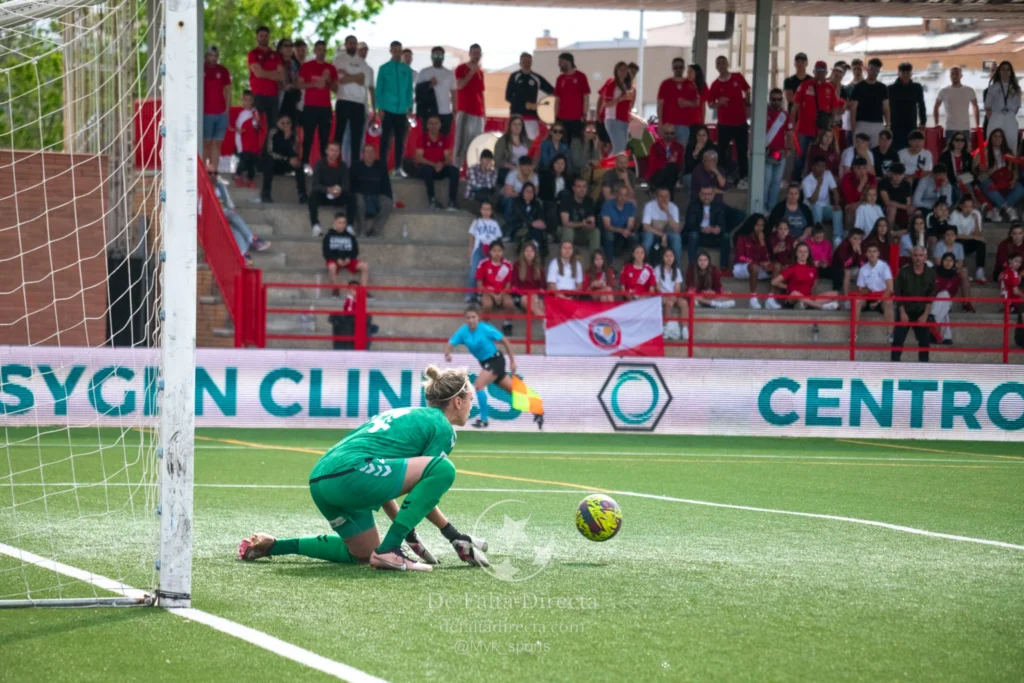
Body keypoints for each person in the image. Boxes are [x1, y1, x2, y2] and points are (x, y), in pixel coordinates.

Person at [238, 365, 489, 572]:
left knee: (363, 554)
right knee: (444, 469)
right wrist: (451, 534)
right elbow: (429, 477)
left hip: (322, 479)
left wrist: (407, 532)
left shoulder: (407, 414)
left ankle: (273, 546)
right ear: (457, 402)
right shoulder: (443, 428)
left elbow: (389, 481)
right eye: (470, 400)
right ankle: (390, 551)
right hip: (352, 474)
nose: (471, 406)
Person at [445, 306, 538, 429]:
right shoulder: (463, 332)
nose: (471, 320)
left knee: (479, 385)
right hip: (486, 363)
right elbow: (450, 343)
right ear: (465, 319)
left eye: (474, 317)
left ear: (478, 318)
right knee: (511, 389)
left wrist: (513, 361)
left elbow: (504, 340)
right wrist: (448, 353)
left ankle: (484, 420)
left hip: (496, 360)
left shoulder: (485, 328)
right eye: (468, 318)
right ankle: (536, 408)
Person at [790, 60, 841, 180]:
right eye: (818, 70)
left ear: (826, 72)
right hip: (803, 129)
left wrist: (830, 126)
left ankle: (816, 181)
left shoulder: (830, 88)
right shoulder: (805, 85)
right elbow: (795, 107)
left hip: (821, 131)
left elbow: (834, 109)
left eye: (823, 71)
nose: (820, 73)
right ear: (813, 71)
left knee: (819, 157)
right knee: (799, 157)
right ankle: (796, 182)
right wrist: (792, 125)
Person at [709, 56, 751, 188]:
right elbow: (710, 104)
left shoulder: (737, 77)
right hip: (724, 124)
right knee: (722, 151)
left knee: (742, 151)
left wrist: (747, 104)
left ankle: (744, 177)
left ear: (727, 64)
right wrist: (718, 103)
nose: (721, 65)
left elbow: (748, 90)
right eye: (718, 63)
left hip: (740, 122)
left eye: (723, 62)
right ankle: (722, 176)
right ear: (716, 66)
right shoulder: (715, 85)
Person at [212, 171, 271, 263]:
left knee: (234, 218)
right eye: (209, 173)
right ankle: (251, 243)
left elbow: (228, 202)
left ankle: (246, 250)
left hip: (225, 213)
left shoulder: (220, 186)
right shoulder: (201, 188)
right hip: (214, 216)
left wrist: (230, 208)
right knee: (232, 228)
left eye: (215, 173)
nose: (212, 175)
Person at [334, 35, 375, 166]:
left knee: (356, 138)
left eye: (354, 43)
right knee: (339, 135)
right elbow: (340, 80)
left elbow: (363, 80)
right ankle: (337, 164)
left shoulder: (363, 63)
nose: (352, 45)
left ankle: (355, 165)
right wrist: (355, 77)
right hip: (343, 100)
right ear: (346, 45)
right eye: (350, 43)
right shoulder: (338, 60)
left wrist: (348, 76)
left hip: (358, 104)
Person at [891, 246, 936, 362]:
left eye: (921, 255)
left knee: (924, 342)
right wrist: (902, 312)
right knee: (898, 340)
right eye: (915, 255)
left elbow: (931, 295)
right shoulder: (904, 271)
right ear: (911, 257)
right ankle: (893, 367)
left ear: (925, 257)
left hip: (921, 311)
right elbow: (898, 293)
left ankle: (923, 368)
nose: (918, 258)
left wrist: (926, 315)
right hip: (904, 310)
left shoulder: (931, 273)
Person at [296, 40, 337, 168]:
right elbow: (299, 84)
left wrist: (328, 81)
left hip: (325, 107)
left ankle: (324, 165)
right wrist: (314, 84)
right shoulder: (307, 66)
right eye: (319, 49)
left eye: (324, 50)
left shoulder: (331, 68)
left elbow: (336, 89)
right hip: (310, 107)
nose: (321, 52)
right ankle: (305, 163)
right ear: (314, 51)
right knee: (307, 136)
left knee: (324, 139)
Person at [377, 41, 414, 179]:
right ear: (391, 51)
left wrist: (410, 108)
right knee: (385, 140)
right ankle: (382, 168)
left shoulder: (406, 70)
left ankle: (398, 168)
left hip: (402, 111)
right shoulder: (384, 68)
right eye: (395, 50)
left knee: (400, 140)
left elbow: (410, 90)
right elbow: (379, 89)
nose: (397, 53)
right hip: (387, 109)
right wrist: (379, 108)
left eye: (399, 50)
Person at [766, 241, 840, 310]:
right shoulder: (792, 268)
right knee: (796, 294)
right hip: (792, 299)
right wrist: (788, 287)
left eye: (805, 252)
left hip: (808, 297)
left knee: (835, 293)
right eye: (800, 252)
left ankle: (806, 304)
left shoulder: (813, 269)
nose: (803, 254)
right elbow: (774, 282)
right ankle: (822, 307)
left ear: (808, 254)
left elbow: (814, 287)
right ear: (796, 253)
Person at [975, 128, 1024, 222]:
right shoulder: (984, 151)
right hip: (991, 180)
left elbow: (1015, 169)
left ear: (1003, 139)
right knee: (985, 181)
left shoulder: (1008, 152)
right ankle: (1008, 209)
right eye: (995, 136)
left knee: (1021, 189)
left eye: (1000, 136)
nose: (998, 138)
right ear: (991, 138)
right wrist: (980, 169)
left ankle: (995, 209)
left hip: (1006, 181)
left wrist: (1014, 179)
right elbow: (976, 169)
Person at [504, 52, 554, 139]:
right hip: (516, 117)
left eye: (528, 61)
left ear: (531, 62)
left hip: (531, 118)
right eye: (524, 61)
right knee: (515, 144)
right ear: (520, 63)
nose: (526, 63)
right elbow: (508, 96)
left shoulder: (536, 78)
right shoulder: (514, 76)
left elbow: (552, 91)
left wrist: (543, 106)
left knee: (531, 145)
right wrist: (524, 104)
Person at [416, 114, 460, 211]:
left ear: (440, 125)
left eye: (436, 123)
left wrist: (442, 164)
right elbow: (419, 157)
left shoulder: (444, 139)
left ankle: (452, 201)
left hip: (440, 167)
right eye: (431, 123)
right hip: (426, 168)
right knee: (427, 170)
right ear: (427, 125)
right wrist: (433, 164)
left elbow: (448, 158)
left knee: (454, 170)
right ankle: (432, 200)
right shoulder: (422, 138)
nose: (433, 126)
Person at [259, 114, 306, 204]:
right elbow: (270, 152)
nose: (285, 125)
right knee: (269, 161)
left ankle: (302, 195)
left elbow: (294, 154)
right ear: (277, 123)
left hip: (285, 163)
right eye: (282, 123)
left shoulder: (293, 135)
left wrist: (288, 140)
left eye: (288, 123)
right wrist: (284, 139)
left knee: (299, 166)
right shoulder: (273, 132)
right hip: (273, 163)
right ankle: (265, 193)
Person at [453, 44, 486, 169]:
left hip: (478, 113)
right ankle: (457, 168)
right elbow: (459, 85)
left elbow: (481, 93)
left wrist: (484, 113)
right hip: (465, 110)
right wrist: (472, 72)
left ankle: (473, 169)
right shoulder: (461, 68)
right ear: (470, 53)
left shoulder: (481, 73)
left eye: (479, 53)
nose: (476, 56)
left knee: (477, 143)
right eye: (474, 53)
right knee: (461, 142)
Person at [350, 144, 394, 237]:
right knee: (358, 200)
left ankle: (376, 230)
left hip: (377, 196)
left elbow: (386, 186)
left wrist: (389, 198)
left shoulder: (381, 167)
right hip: (361, 195)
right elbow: (351, 186)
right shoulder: (355, 166)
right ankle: (362, 230)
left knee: (388, 203)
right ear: (363, 154)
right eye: (367, 152)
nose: (369, 154)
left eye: (372, 152)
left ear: (375, 154)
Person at [854, 243, 895, 341]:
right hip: (868, 296)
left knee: (888, 303)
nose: (872, 254)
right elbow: (859, 288)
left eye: (874, 251)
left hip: (882, 296)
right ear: (866, 254)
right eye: (869, 251)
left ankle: (890, 334)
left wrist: (877, 302)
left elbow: (890, 288)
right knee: (856, 301)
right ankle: (853, 334)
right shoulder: (863, 269)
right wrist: (865, 291)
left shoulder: (884, 267)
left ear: (878, 254)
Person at [309, 141, 350, 236]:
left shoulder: (343, 166)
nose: (334, 153)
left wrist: (339, 191)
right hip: (323, 195)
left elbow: (346, 185)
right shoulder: (319, 164)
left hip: (338, 196)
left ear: (339, 152)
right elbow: (316, 185)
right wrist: (327, 189)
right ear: (326, 151)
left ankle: (349, 226)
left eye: (336, 151)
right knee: (313, 196)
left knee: (352, 197)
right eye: (332, 150)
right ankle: (315, 225)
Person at [658, 57, 701, 147]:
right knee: (667, 152)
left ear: (683, 68)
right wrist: (660, 123)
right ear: (672, 68)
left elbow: (697, 102)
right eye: (676, 67)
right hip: (668, 124)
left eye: (680, 67)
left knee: (681, 152)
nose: (678, 69)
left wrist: (687, 103)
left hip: (684, 125)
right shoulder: (665, 84)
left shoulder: (690, 84)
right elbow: (660, 105)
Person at [685, 185, 731, 269]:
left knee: (726, 236)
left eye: (709, 194)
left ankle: (724, 267)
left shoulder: (719, 206)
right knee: (693, 235)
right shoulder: (693, 206)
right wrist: (702, 229)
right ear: (699, 194)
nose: (706, 197)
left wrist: (718, 229)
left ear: (713, 195)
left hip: (713, 237)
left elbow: (723, 225)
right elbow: (690, 225)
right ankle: (692, 267)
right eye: (704, 194)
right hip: (699, 236)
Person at [733, 214, 773, 308]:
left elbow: (766, 258)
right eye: (757, 225)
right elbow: (740, 257)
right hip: (741, 267)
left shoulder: (763, 238)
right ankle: (753, 298)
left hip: (758, 268)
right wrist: (758, 263)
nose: (760, 228)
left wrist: (762, 243)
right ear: (752, 225)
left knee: (776, 267)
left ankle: (771, 298)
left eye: (762, 225)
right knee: (754, 267)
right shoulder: (742, 237)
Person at [475, 240, 514, 335]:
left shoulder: (507, 265)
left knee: (509, 303)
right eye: (494, 251)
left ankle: (507, 324)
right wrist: (492, 294)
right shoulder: (483, 264)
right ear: (490, 252)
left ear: (503, 252)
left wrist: (501, 294)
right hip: (487, 292)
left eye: (499, 251)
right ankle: (485, 325)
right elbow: (479, 285)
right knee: (487, 304)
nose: (497, 253)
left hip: (502, 292)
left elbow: (508, 285)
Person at [323, 213, 369, 293]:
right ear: (334, 223)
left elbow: (355, 251)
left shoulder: (350, 236)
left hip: (349, 260)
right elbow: (326, 252)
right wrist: (337, 260)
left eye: (344, 222)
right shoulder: (328, 236)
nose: (342, 225)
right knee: (331, 267)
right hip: (334, 260)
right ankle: (335, 289)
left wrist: (349, 258)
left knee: (365, 266)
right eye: (339, 222)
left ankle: (363, 291)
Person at [415, 47, 457, 136]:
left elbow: (454, 93)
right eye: (435, 55)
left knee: (444, 139)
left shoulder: (449, 74)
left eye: (440, 55)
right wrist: (429, 84)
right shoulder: (424, 72)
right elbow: (417, 91)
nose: (438, 57)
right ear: (431, 57)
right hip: (428, 112)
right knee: (427, 140)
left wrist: (455, 110)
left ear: (443, 57)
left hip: (445, 112)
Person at [466, 201, 503, 301]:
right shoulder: (476, 222)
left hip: (491, 249)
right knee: (474, 271)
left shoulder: (494, 223)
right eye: (484, 209)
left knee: (488, 272)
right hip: (479, 248)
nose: (486, 211)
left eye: (488, 209)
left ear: (491, 211)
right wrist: (470, 250)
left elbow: (498, 238)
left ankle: (481, 296)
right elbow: (471, 236)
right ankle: (470, 295)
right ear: (480, 210)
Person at [202, 46, 231, 172]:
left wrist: (227, 110)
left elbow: (228, 91)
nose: (213, 58)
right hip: (206, 113)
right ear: (206, 56)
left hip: (221, 113)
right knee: (206, 143)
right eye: (210, 55)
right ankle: (204, 170)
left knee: (217, 143)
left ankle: (213, 172)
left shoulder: (223, 70)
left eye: (215, 56)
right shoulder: (200, 68)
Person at [931, 226, 974, 311]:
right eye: (947, 234)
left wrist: (948, 264)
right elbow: (938, 262)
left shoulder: (959, 246)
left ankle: (967, 302)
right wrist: (953, 263)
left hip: (953, 270)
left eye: (952, 235)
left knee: (964, 272)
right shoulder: (939, 245)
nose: (950, 237)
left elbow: (961, 263)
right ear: (944, 236)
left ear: (956, 236)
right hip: (940, 270)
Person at [248, 26, 283, 128]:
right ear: (257, 37)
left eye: (266, 36)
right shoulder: (253, 54)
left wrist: (264, 73)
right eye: (261, 36)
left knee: (273, 126)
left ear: (269, 37)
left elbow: (281, 76)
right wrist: (273, 74)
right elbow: (258, 73)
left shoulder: (275, 55)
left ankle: (270, 144)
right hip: (258, 95)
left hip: (273, 95)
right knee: (259, 126)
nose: (263, 38)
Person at [934, 67, 980, 146]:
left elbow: (975, 107)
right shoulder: (944, 91)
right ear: (950, 76)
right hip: (950, 128)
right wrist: (936, 123)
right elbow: (936, 107)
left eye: (956, 74)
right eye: (952, 74)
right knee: (950, 153)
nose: (954, 76)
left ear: (961, 76)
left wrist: (977, 125)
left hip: (965, 128)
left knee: (966, 153)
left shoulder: (969, 90)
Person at [849, 58, 890, 145]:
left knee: (877, 153)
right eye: (872, 69)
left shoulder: (883, 88)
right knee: (860, 153)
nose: (874, 72)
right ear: (867, 69)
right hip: (861, 124)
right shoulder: (858, 87)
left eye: (877, 70)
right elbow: (853, 110)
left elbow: (886, 108)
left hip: (878, 124)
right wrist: (853, 129)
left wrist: (888, 125)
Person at [801, 158, 842, 244]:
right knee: (817, 207)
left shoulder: (828, 174)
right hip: (811, 209)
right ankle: (818, 236)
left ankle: (837, 239)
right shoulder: (806, 181)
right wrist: (819, 185)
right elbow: (813, 201)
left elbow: (834, 191)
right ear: (813, 167)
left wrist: (836, 204)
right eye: (819, 166)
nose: (821, 168)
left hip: (825, 208)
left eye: (823, 166)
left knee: (838, 211)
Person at [887, 63, 926, 151]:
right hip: (895, 126)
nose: (905, 75)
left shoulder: (917, 87)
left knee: (912, 150)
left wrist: (923, 122)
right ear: (898, 73)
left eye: (908, 73)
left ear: (911, 74)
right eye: (903, 73)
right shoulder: (890, 89)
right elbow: (885, 108)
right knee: (896, 151)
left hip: (911, 125)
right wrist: (886, 123)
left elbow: (921, 105)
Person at [553, 52, 590, 145]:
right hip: (562, 118)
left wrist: (585, 113)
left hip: (577, 119)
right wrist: (555, 116)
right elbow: (557, 99)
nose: (559, 64)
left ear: (568, 61)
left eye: (561, 62)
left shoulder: (581, 76)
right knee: (563, 143)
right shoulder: (560, 79)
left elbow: (586, 96)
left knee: (576, 144)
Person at [949, 195, 987, 284]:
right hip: (957, 241)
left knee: (981, 244)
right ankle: (962, 269)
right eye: (966, 206)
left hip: (968, 241)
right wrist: (972, 237)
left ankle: (980, 271)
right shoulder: (954, 214)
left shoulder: (976, 214)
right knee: (958, 244)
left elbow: (978, 235)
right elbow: (954, 235)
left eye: (971, 206)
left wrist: (976, 221)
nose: (968, 209)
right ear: (961, 206)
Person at [599, 62, 635, 154]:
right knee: (618, 148)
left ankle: (616, 167)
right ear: (616, 71)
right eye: (620, 69)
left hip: (624, 119)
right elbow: (606, 104)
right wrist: (620, 99)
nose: (623, 72)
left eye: (625, 69)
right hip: (613, 119)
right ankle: (607, 167)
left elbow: (630, 105)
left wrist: (632, 97)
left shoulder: (629, 86)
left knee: (622, 148)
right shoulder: (612, 84)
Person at [641, 187, 682, 266]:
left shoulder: (674, 208)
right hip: (653, 232)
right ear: (656, 197)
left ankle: (676, 268)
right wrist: (662, 234)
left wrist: (667, 212)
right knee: (648, 237)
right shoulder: (649, 206)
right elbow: (646, 226)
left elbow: (676, 229)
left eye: (666, 196)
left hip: (668, 233)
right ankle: (643, 265)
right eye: (661, 196)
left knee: (677, 238)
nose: (664, 199)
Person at [984, 61, 1021, 148]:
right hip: (996, 117)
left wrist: (1008, 116)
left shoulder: (1016, 89)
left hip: (1010, 118)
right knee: (994, 146)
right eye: (1003, 69)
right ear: (999, 71)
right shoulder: (993, 88)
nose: (1005, 72)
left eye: (1008, 69)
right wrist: (993, 120)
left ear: (1011, 72)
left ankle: (1010, 161)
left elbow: (1017, 107)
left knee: (1011, 145)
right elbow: (987, 107)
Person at [764, 88, 789, 210]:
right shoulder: (763, 113)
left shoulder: (785, 115)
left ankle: (772, 208)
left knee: (776, 183)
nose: (776, 102)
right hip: (766, 153)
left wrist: (788, 150)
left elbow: (790, 133)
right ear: (769, 99)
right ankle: (762, 209)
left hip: (781, 154)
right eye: (773, 99)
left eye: (779, 99)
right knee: (766, 182)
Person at [560, 176, 599, 251]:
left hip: (581, 232)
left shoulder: (589, 201)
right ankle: (564, 257)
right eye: (579, 187)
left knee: (596, 231)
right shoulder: (566, 200)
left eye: (584, 187)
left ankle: (595, 259)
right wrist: (582, 223)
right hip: (565, 231)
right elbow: (565, 223)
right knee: (569, 230)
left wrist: (591, 224)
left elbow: (592, 221)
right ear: (574, 188)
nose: (582, 190)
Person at [601, 184, 639, 260]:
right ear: (616, 194)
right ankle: (609, 260)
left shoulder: (630, 206)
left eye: (625, 195)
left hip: (623, 229)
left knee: (635, 237)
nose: (623, 197)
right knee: (609, 234)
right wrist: (622, 231)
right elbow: (607, 225)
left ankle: (632, 260)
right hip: (611, 229)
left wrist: (627, 230)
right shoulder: (607, 204)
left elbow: (630, 223)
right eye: (620, 194)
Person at [655, 248, 686, 340]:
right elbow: (657, 288)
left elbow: (677, 288)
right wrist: (667, 296)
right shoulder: (657, 269)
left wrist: (674, 296)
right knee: (669, 303)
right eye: (666, 256)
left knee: (684, 303)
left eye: (671, 256)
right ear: (663, 258)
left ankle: (684, 328)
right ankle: (666, 327)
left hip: (673, 296)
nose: (669, 258)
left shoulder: (677, 270)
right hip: (661, 296)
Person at [938, 132, 975, 206]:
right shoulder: (944, 156)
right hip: (950, 181)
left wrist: (976, 183)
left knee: (966, 185)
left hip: (964, 180)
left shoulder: (967, 156)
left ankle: (970, 206)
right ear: (952, 141)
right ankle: (972, 205)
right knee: (961, 189)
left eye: (962, 140)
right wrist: (955, 181)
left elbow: (970, 172)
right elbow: (942, 173)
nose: (960, 142)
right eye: (957, 140)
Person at [232, 90, 261, 187]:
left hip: (252, 142)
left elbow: (256, 125)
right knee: (244, 159)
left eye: (250, 100)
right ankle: (237, 175)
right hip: (243, 142)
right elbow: (237, 127)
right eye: (245, 100)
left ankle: (250, 179)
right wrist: (238, 131)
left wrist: (256, 121)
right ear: (242, 101)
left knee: (252, 162)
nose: (248, 102)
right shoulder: (241, 114)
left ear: (253, 101)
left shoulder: (254, 112)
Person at [841, 158, 878, 230]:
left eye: (864, 168)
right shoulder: (847, 178)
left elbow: (872, 198)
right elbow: (851, 199)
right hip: (849, 205)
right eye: (858, 168)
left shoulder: (871, 178)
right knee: (850, 208)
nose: (862, 171)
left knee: (860, 207)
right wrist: (862, 184)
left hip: (866, 204)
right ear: (853, 169)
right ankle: (849, 234)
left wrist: (860, 202)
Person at [932, 252, 960, 345]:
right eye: (946, 260)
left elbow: (953, 292)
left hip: (946, 300)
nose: (948, 262)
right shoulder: (934, 272)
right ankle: (947, 338)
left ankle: (933, 320)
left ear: (954, 263)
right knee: (945, 312)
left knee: (945, 294)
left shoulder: (955, 276)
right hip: (932, 301)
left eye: (950, 260)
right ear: (942, 261)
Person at [511, 240, 546, 317]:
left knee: (541, 304)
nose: (529, 253)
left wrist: (537, 294)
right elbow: (514, 284)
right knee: (527, 300)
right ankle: (545, 318)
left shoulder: (539, 266)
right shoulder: (517, 265)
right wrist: (526, 294)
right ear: (523, 252)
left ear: (535, 253)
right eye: (527, 251)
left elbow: (542, 285)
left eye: (531, 251)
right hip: (521, 295)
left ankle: (544, 318)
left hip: (535, 294)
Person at [646, 123, 685, 192]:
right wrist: (667, 163)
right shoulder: (655, 146)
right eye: (666, 133)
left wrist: (672, 163)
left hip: (673, 174)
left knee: (672, 168)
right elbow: (653, 163)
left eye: (671, 133)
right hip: (657, 174)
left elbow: (680, 164)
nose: (669, 135)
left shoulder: (679, 147)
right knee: (671, 168)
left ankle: (653, 187)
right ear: (662, 133)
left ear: (675, 134)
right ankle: (669, 199)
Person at [506, 182, 547, 247]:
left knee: (537, 232)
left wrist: (541, 222)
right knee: (534, 233)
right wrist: (531, 223)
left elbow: (540, 215)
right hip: (518, 228)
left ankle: (535, 250)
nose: (529, 194)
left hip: (533, 229)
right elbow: (520, 215)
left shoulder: (536, 203)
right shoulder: (516, 201)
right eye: (527, 191)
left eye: (531, 192)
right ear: (523, 192)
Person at [494, 116, 531, 185]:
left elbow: (534, 157)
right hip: (510, 169)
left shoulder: (528, 141)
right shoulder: (503, 141)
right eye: (514, 124)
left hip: (526, 170)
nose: (517, 127)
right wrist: (511, 166)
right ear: (510, 126)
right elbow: (497, 160)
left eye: (519, 124)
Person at [878, 162, 914, 233]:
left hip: (901, 210)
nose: (898, 177)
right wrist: (904, 207)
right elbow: (887, 202)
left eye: (900, 175)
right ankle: (889, 233)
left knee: (915, 212)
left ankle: (910, 236)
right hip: (884, 209)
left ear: (904, 175)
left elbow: (908, 204)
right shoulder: (884, 182)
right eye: (895, 175)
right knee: (892, 209)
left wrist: (907, 208)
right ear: (891, 174)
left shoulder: (906, 184)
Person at [501, 155, 539, 221]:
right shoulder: (512, 174)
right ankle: (508, 220)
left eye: (529, 165)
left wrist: (527, 196)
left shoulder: (534, 176)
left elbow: (535, 192)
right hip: (511, 196)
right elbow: (507, 192)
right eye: (525, 165)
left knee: (538, 202)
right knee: (511, 200)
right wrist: (523, 195)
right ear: (520, 166)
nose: (528, 168)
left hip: (526, 197)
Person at [832, 228, 866, 296]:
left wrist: (859, 254)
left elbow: (862, 264)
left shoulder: (862, 245)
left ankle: (859, 296)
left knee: (862, 270)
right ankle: (846, 297)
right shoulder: (843, 246)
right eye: (855, 238)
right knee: (847, 271)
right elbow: (846, 264)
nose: (857, 241)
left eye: (859, 238)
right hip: (838, 269)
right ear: (849, 238)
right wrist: (853, 252)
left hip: (852, 268)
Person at [683, 125, 712, 191]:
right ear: (695, 136)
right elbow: (689, 165)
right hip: (691, 174)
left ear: (707, 136)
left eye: (704, 135)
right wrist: (696, 151)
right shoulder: (690, 147)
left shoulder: (711, 147)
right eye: (699, 135)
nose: (701, 138)